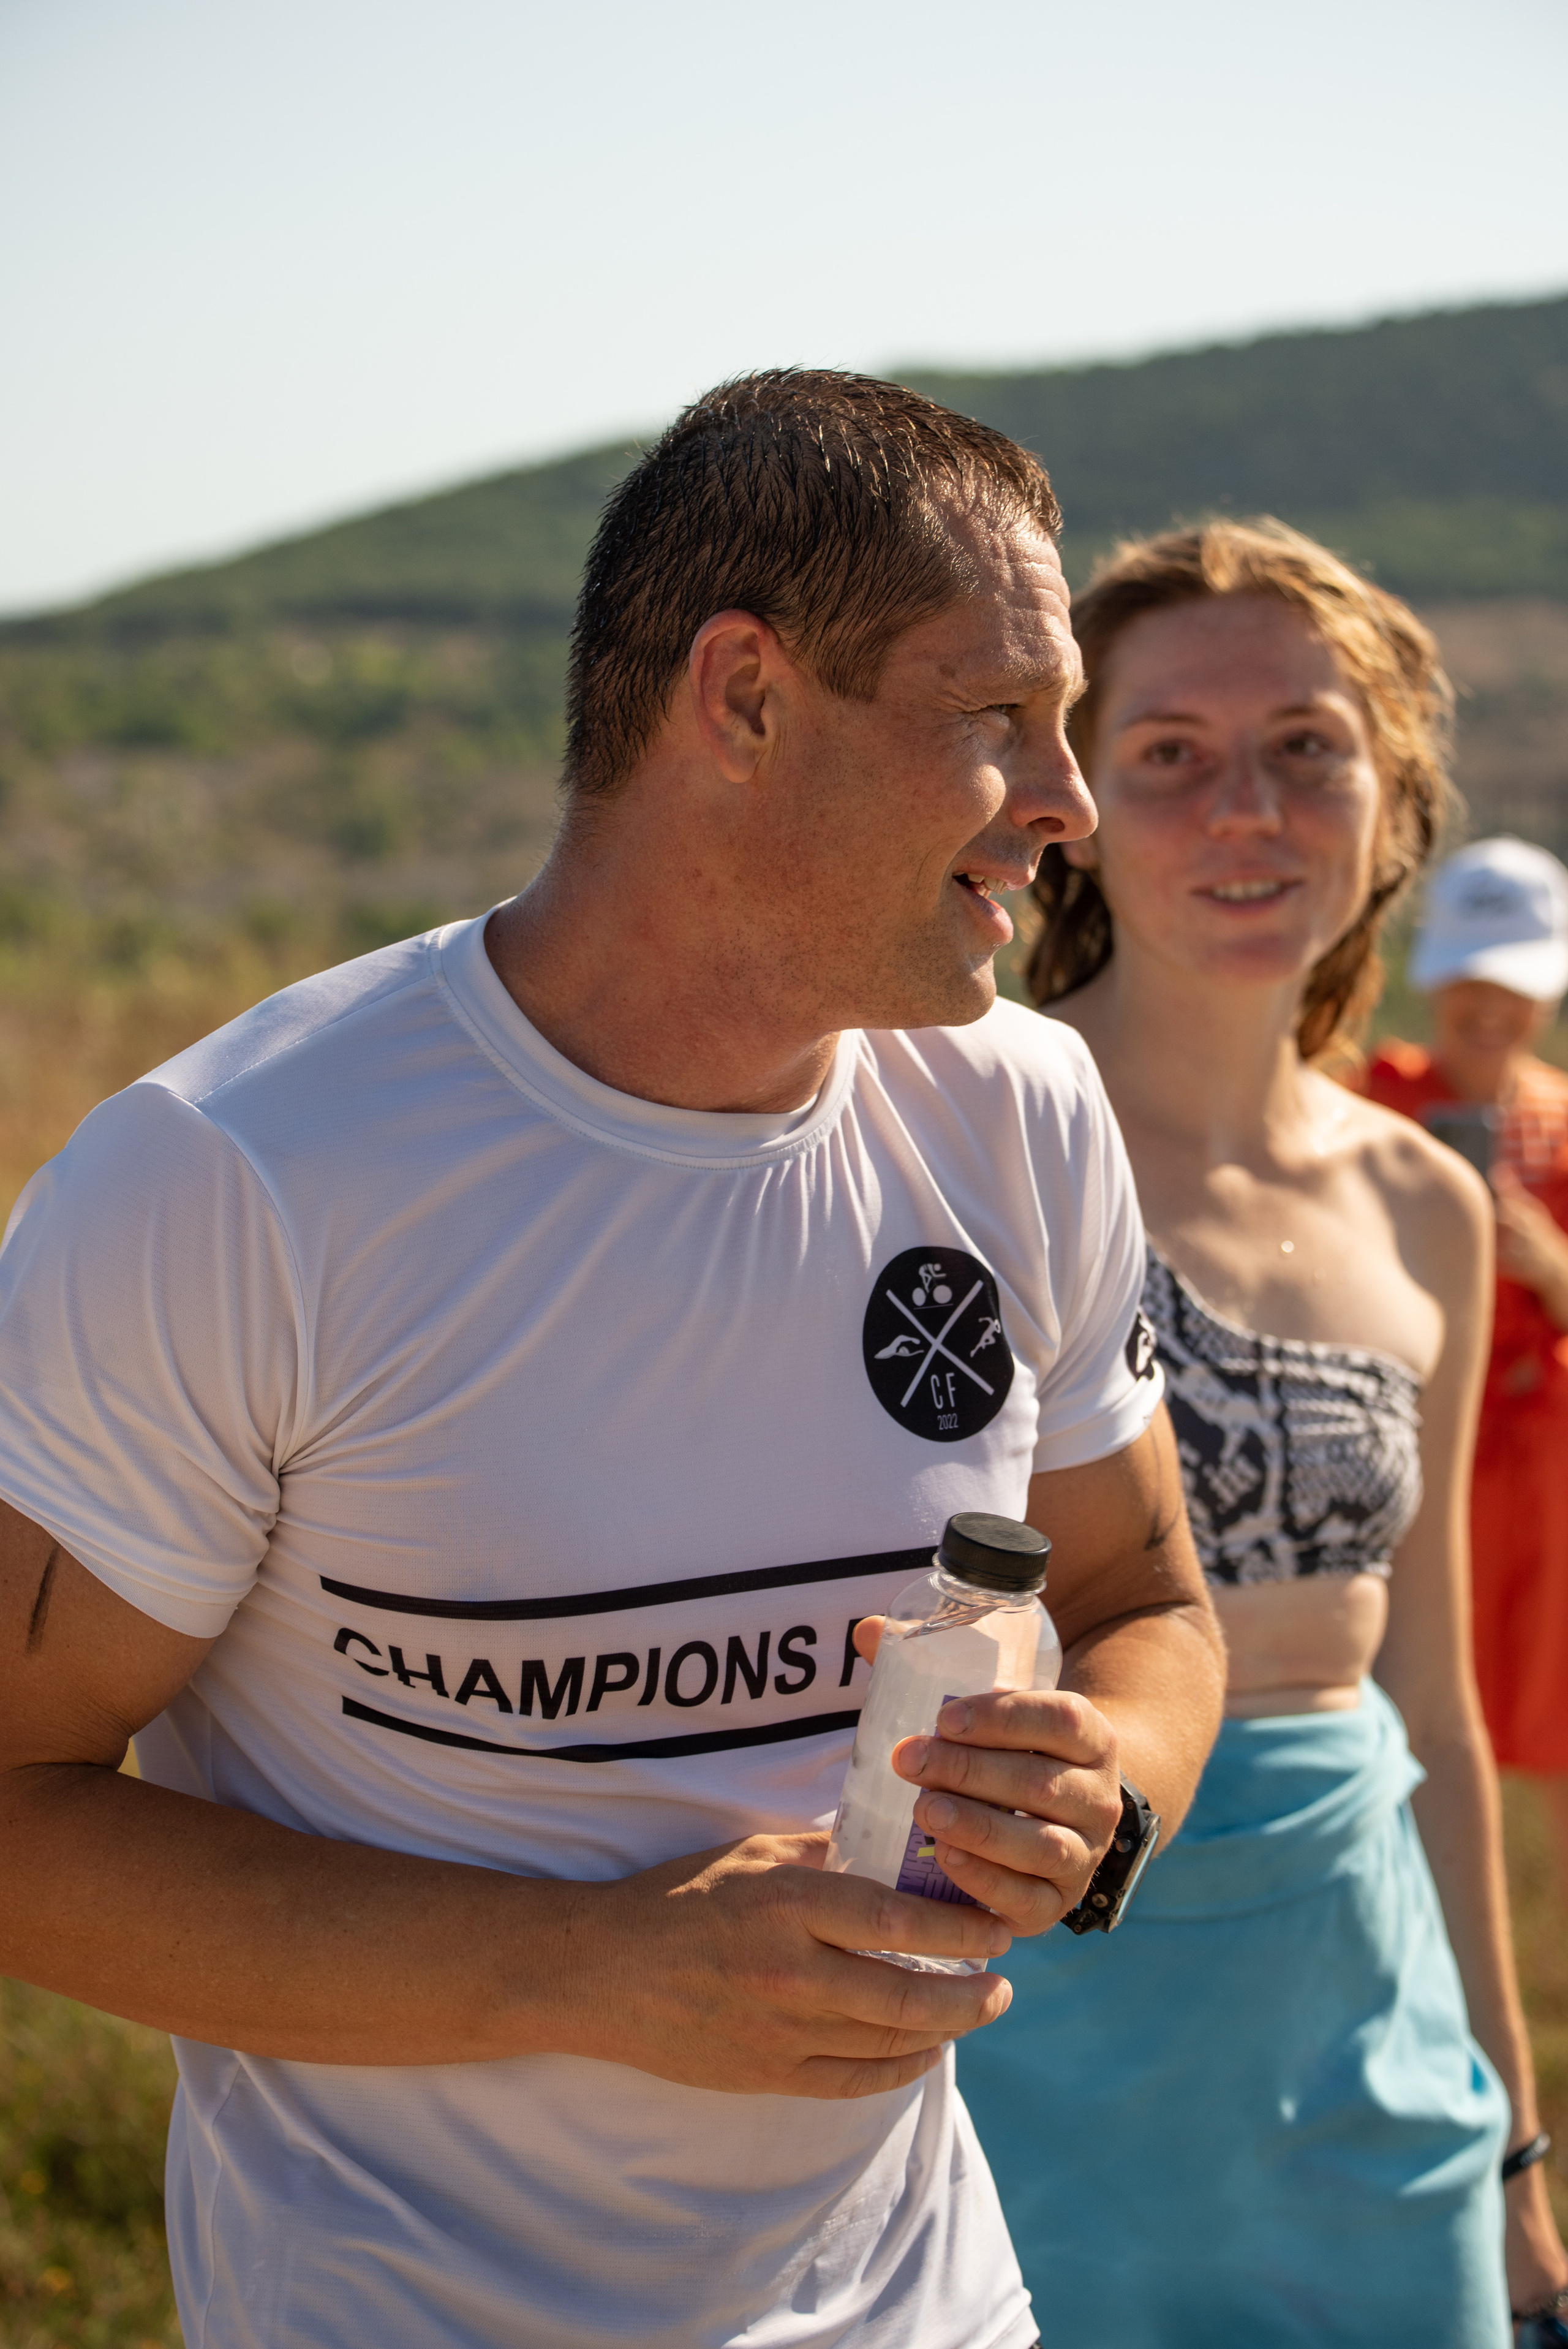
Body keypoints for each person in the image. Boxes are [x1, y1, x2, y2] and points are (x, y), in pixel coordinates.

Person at [0, 373, 1226, 2349]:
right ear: (740, 700)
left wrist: (1109, 1795)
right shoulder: (241, 1178)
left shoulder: (1021, 1114)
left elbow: (1141, 1596)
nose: (1073, 803)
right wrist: (590, 1969)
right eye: (995, 719)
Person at [956, 520, 1568, 2345]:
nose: (1248, 805)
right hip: (1025, 2038)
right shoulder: (953, 1138)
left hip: (1370, 2057)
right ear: (1075, 797)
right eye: (1171, 754)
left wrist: (1519, 2145)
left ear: (1391, 801)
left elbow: (1433, 1709)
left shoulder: (1424, 1203)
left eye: (1309, 744)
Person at [1365, 838, 1568, 1907]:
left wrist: (1549, 1263)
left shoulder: (1564, 1122)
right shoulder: (1373, 1103)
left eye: (1515, 988)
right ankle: (1422, 1941)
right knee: (1415, 1715)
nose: (1489, 1011)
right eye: (1470, 984)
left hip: (1545, 1481)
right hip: (1421, 1467)